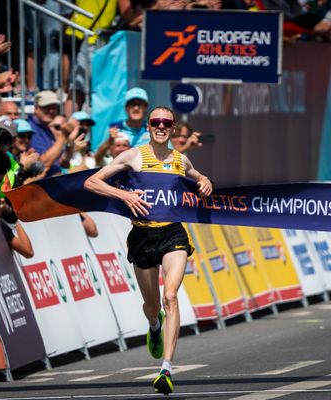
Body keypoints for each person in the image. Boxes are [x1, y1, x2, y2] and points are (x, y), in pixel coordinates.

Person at [84, 106, 212, 394]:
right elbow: (91, 182)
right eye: (156, 122)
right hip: (142, 237)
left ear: (174, 128)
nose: (161, 127)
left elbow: (200, 178)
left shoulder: (180, 160)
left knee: (170, 295)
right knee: (153, 306)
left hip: (173, 235)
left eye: (167, 123)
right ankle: (154, 324)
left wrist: (205, 182)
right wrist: (124, 194)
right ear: (149, 126)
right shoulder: (134, 156)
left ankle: (166, 369)